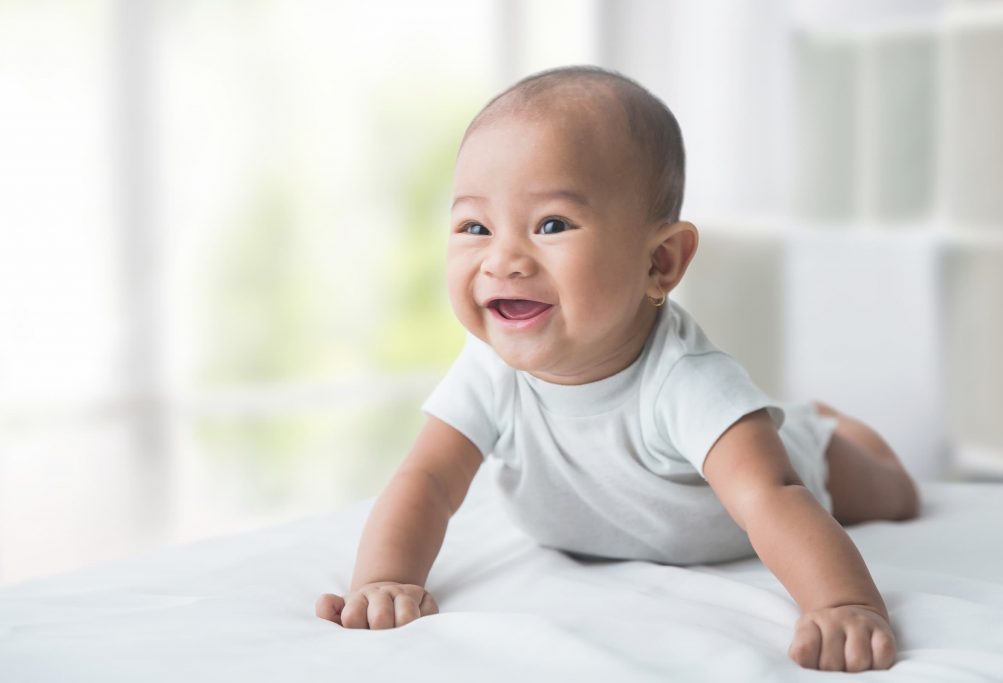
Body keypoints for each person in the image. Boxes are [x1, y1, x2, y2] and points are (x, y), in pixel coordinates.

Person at [315, 65, 920, 672]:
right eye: (475, 226)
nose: (502, 259)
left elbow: (770, 496)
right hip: (614, 522)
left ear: (659, 261)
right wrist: (386, 580)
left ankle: (831, 431)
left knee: (887, 495)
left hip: (793, 470)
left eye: (551, 224)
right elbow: (427, 482)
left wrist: (843, 603)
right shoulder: (490, 371)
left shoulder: (685, 379)